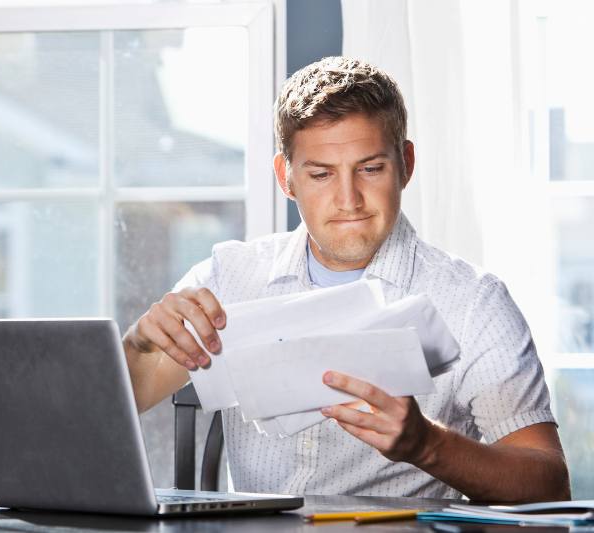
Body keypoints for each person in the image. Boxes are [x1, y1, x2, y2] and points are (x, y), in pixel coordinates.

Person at [122, 57, 570, 502]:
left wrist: (427, 445)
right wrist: (137, 347)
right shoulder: (228, 277)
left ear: (406, 164)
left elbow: (548, 485)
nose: (348, 199)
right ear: (286, 177)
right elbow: (109, 407)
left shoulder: (474, 303)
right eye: (320, 174)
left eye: (371, 169)